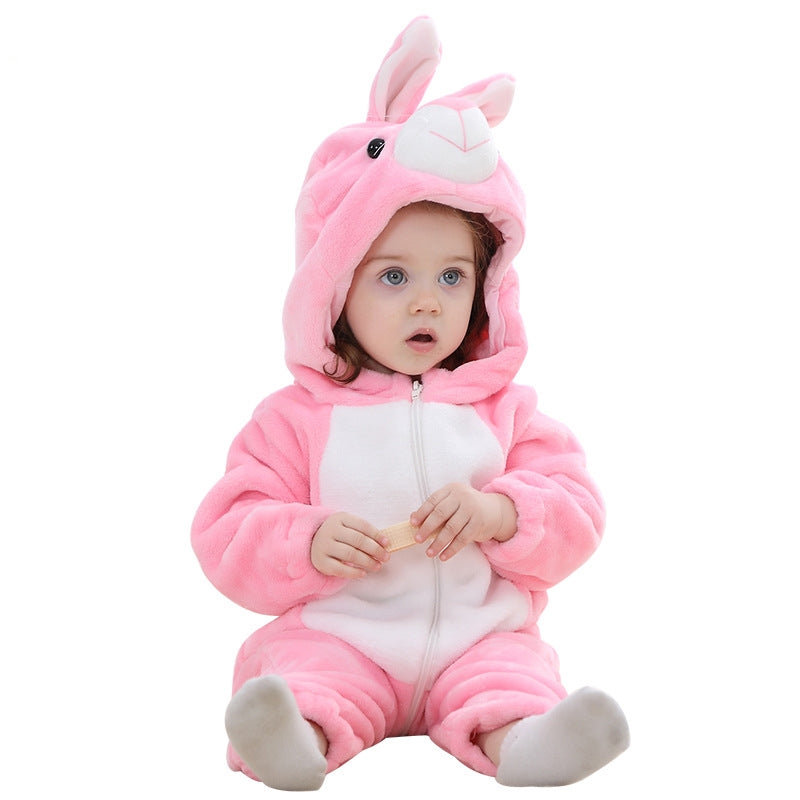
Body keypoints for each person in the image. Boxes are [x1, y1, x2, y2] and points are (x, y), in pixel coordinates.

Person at [191, 17, 629, 791]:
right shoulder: (296, 420)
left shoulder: (508, 413)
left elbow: (578, 511)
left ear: (486, 287)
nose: (428, 302)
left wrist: (503, 514)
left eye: (452, 277)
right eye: (394, 276)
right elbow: (227, 531)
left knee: (510, 676)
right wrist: (305, 540)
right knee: (307, 674)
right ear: (334, 286)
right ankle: (293, 739)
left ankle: (528, 742)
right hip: (343, 635)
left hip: (480, 638)